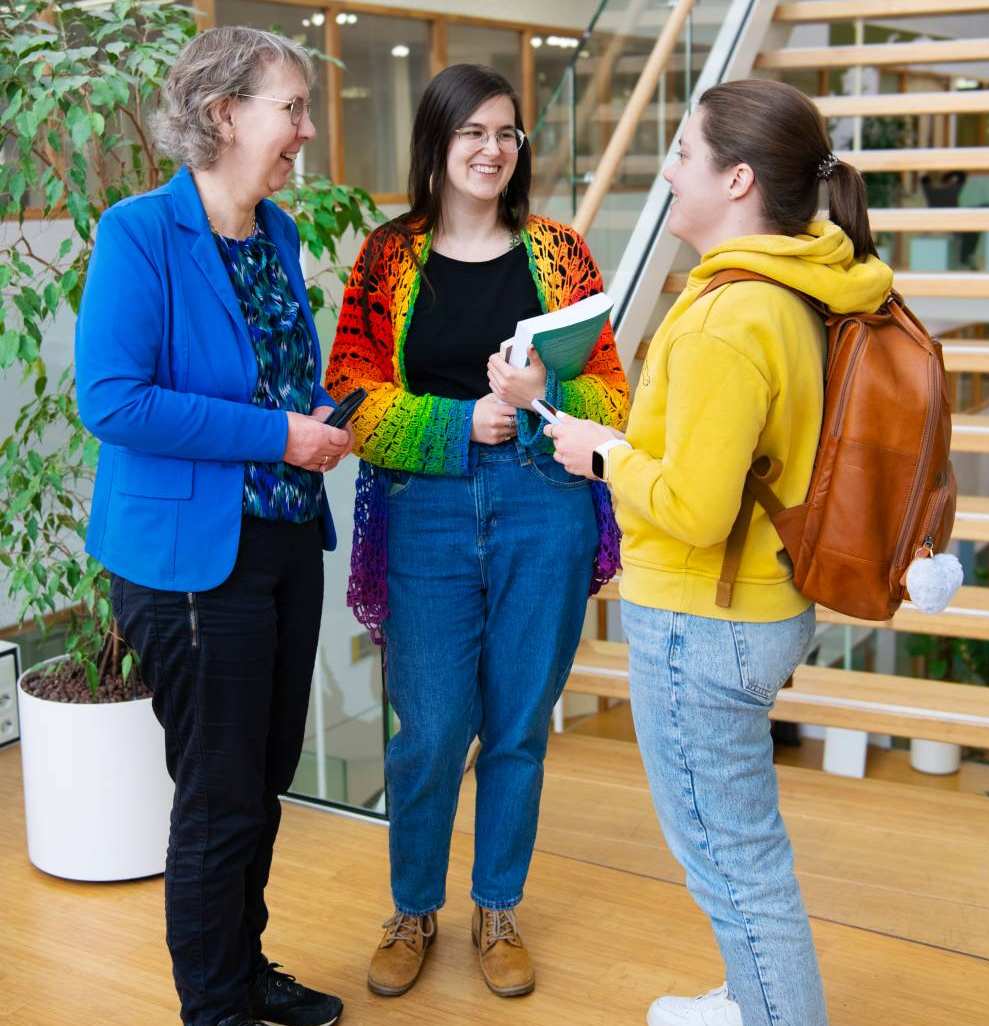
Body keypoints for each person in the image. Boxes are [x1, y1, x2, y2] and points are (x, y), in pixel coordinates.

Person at [545, 78, 894, 1026]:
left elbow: (694, 510)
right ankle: (752, 1000)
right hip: (762, 603)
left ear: (737, 180)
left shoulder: (723, 318)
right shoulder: (804, 284)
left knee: (733, 865)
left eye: (686, 154)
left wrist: (601, 453)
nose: (668, 168)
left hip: (703, 618)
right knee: (741, 849)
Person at [324, 63, 628, 1000]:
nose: (493, 150)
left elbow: (615, 393)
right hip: (427, 507)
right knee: (432, 726)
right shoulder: (387, 255)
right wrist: (461, 424)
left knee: (519, 726)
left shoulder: (561, 250)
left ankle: (497, 907)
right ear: (437, 145)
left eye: (507, 134)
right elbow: (346, 394)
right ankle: (413, 907)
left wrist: (546, 396)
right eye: (473, 134)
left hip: (546, 504)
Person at [75, 27, 351, 1026]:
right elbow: (112, 400)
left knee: (261, 782)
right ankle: (217, 1009)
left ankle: (244, 967)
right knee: (218, 797)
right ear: (223, 113)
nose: (308, 131)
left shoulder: (272, 233)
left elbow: (275, 376)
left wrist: (325, 416)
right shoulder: (138, 232)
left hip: (282, 541)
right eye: (293, 109)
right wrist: (277, 434)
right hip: (191, 563)